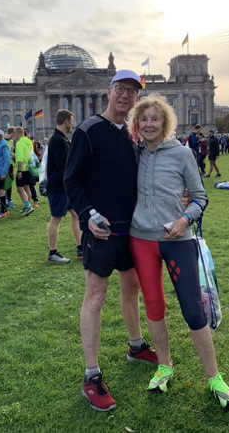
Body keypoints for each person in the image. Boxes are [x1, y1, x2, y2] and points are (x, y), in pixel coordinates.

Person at [127, 95, 229, 407]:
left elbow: (200, 197)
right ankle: (164, 365)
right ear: (137, 124)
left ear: (165, 123)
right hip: (141, 240)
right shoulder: (133, 153)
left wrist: (184, 218)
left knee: (193, 310)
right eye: (144, 119)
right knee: (153, 306)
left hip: (178, 240)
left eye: (155, 119)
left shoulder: (182, 153)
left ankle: (214, 377)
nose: (149, 124)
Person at [65, 69, 157, 412]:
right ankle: (91, 375)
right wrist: (89, 216)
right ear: (109, 91)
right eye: (121, 89)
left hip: (132, 228)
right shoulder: (88, 131)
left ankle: (135, 345)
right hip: (102, 229)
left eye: (132, 92)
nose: (125, 96)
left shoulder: (133, 135)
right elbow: (71, 181)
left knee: (131, 289)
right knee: (96, 296)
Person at [46, 109, 82, 263]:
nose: (72, 124)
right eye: (71, 121)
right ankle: (52, 253)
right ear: (66, 121)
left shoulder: (60, 139)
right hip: (58, 187)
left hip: (64, 188)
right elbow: (64, 168)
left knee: (76, 215)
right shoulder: (58, 140)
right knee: (56, 219)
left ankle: (80, 248)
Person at [14, 126, 35, 216]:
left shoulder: (19, 144)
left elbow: (20, 158)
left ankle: (28, 206)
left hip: (22, 169)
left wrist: (19, 171)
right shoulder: (29, 142)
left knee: (20, 189)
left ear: (17, 133)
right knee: (27, 187)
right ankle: (27, 205)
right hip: (29, 168)